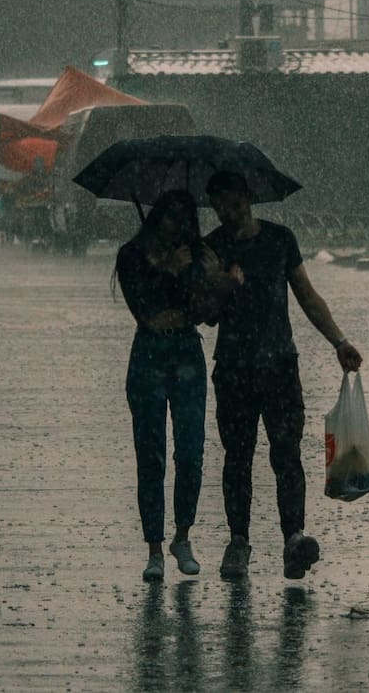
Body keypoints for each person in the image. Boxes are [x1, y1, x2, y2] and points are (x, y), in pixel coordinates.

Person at [201, 170, 363, 581]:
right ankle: (238, 542)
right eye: (219, 208)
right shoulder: (212, 247)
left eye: (234, 205)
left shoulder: (279, 239)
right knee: (237, 457)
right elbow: (206, 315)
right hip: (233, 368)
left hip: (279, 366)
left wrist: (339, 341)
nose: (228, 214)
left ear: (249, 198)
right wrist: (223, 285)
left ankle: (294, 539)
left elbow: (306, 294)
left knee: (286, 454)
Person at [114, 189, 242, 582]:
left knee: (190, 451)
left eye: (184, 218)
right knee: (150, 455)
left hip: (187, 351)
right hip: (148, 354)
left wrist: (218, 282)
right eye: (170, 216)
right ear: (156, 216)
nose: (176, 225)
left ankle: (182, 536)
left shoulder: (196, 255)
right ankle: (154, 548)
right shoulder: (131, 255)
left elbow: (206, 315)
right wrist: (167, 269)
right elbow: (143, 309)